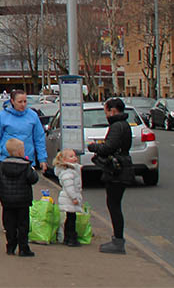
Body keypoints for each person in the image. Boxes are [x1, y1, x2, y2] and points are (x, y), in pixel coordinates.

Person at [87, 97, 134, 254]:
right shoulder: (124, 125)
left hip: (117, 171)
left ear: (113, 111)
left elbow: (109, 147)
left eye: (106, 111)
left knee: (114, 205)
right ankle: (117, 240)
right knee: (114, 204)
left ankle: (118, 241)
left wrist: (94, 147)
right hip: (122, 167)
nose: (105, 114)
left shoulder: (117, 126)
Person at [0, 138, 39, 256]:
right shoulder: (26, 166)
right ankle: (23, 248)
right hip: (23, 200)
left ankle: (10, 246)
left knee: (9, 224)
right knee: (23, 224)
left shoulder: (2, 165)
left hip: (7, 200)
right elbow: (33, 179)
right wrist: (33, 171)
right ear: (20, 152)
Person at [0, 90, 47, 173]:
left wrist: (42, 159)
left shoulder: (33, 116)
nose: (23, 104)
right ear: (12, 101)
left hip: (27, 160)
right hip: (5, 160)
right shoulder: (3, 116)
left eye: (25, 101)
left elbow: (39, 138)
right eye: (20, 102)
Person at [53, 148, 84, 246]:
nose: (74, 158)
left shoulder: (71, 170)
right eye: (71, 156)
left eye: (75, 156)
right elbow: (69, 187)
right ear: (64, 160)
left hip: (68, 198)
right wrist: (74, 198)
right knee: (71, 219)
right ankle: (71, 238)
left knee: (70, 218)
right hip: (69, 198)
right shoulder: (68, 172)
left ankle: (68, 238)